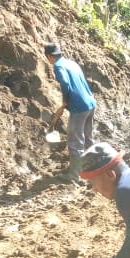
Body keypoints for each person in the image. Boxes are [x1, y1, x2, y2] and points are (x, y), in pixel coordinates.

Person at [44, 42, 96, 179]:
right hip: (90, 103)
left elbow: (65, 83)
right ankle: (94, 168)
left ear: (49, 56)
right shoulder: (72, 63)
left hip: (79, 107)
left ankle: (74, 174)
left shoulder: (58, 66)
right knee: (87, 138)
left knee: (75, 141)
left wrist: (65, 101)